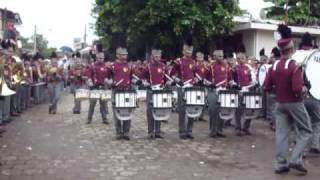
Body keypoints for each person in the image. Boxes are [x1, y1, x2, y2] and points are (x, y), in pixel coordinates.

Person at [264, 24, 312, 174]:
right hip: (294, 103)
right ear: (291, 49)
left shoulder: (274, 65)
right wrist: (304, 89)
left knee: (281, 133)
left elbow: (266, 86)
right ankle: (296, 159)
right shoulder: (295, 66)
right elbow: (297, 88)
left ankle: (280, 163)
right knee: (306, 131)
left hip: (279, 103)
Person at [143, 41, 172, 139]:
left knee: (159, 110)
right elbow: (143, 78)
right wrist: (145, 82)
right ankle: (150, 131)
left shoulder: (163, 66)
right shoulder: (148, 66)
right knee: (150, 111)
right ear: (152, 56)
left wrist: (168, 82)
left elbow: (166, 78)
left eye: (159, 56)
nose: (158, 58)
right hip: (151, 91)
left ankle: (158, 131)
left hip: (160, 91)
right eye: (156, 56)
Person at [109, 46, 137, 140]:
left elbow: (132, 77)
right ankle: (118, 132)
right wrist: (111, 83)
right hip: (117, 91)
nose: (125, 56)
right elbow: (107, 77)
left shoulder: (129, 66)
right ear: (117, 55)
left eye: (126, 54)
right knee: (117, 111)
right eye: (123, 54)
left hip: (127, 90)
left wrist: (135, 82)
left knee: (128, 111)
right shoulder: (112, 66)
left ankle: (126, 132)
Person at [172, 35, 197, 140]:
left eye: (190, 51)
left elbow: (196, 75)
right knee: (182, 110)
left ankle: (189, 130)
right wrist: (178, 81)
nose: (188, 53)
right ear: (183, 50)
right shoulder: (178, 61)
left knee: (191, 109)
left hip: (191, 87)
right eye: (187, 50)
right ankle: (182, 131)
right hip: (181, 87)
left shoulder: (193, 62)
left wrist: (195, 81)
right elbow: (172, 74)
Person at [299, 32, 320, 154]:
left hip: (302, 95)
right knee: (317, 122)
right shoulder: (315, 55)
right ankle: (315, 145)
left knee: (302, 123)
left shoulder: (297, 56)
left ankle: (301, 148)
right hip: (316, 96)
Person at [207, 49, 231, 138]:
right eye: (219, 56)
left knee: (222, 111)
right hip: (213, 90)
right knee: (213, 111)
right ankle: (212, 131)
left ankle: (220, 130)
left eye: (222, 55)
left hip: (223, 91)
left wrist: (232, 83)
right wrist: (210, 84)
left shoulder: (226, 66)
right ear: (214, 56)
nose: (221, 57)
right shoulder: (210, 66)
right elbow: (204, 78)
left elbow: (230, 78)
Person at [234, 48, 255, 136]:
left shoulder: (249, 68)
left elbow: (254, 81)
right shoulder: (234, 68)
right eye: (238, 58)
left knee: (249, 110)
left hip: (248, 91)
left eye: (242, 58)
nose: (240, 60)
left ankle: (246, 127)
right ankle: (238, 128)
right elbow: (231, 79)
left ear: (245, 59)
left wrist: (248, 87)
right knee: (238, 110)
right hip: (238, 92)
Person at [86, 44, 110, 124]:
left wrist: (108, 81)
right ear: (96, 57)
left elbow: (108, 76)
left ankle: (104, 119)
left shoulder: (106, 66)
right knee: (92, 104)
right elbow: (89, 76)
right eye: (99, 58)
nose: (101, 59)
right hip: (94, 88)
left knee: (103, 104)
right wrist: (90, 82)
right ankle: (89, 118)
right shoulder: (92, 66)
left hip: (103, 87)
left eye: (102, 58)